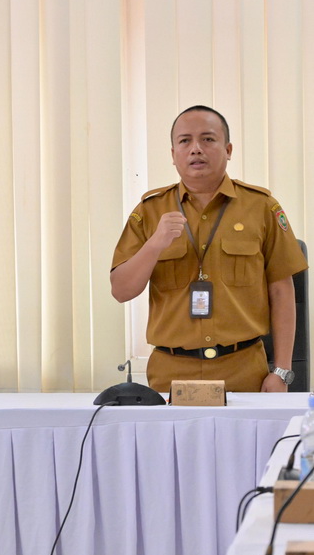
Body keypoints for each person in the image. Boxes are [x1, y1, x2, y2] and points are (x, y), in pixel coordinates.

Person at [111, 105, 308, 392]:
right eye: (185, 141)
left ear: (228, 149)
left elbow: (282, 290)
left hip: (244, 371)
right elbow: (121, 291)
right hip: (171, 372)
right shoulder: (149, 211)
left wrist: (282, 371)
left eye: (208, 139)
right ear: (173, 154)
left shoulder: (262, 207)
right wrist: (155, 244)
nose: (196, 149)